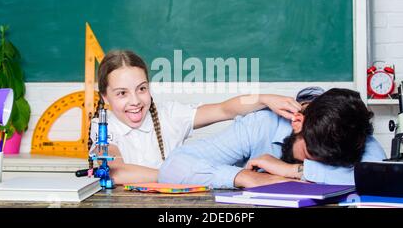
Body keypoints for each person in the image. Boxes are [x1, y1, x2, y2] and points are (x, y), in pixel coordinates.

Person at [89, 50, 302, 184]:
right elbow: (116, 171)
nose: (135, 101)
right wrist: (183, 173)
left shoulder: (169, 115)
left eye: (142, 89)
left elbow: (225, 109)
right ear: (105, 96)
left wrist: (265, 99)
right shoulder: (102, 127)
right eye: (122, 93)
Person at [158, 88, 387, 188]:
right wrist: (242, 177)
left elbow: (382, 177)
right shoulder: (261, 125)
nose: (314, 164)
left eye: (330, 165)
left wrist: (292, 170)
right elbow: (172, 167)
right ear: (297, 123)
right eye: (309, 155)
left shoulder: (349, 129)